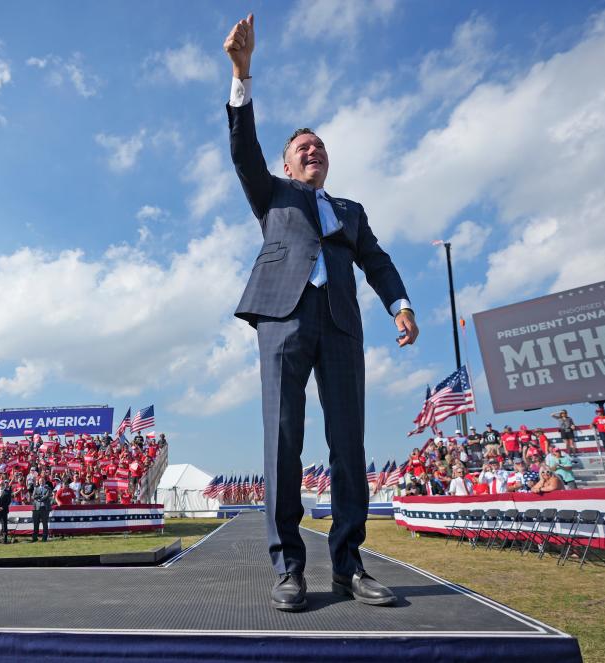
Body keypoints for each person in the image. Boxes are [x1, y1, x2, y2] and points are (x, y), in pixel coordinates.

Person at [224, 13, 417, 612]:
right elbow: (243, 148)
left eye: (319, 147)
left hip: (340, 325)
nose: (313, 151)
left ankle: (349, 566)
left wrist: (400, 305)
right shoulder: (271, 194)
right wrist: (241, 74)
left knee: (348, 445)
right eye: (302, 148)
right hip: (281, 320)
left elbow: (379, 263)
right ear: (287, 165)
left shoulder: (351, 211)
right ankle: (289, 569)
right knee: (283, 440)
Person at [31, 476, 52, 542]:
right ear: (38, 482)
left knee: (45, 523)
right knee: (36, 523)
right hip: (36, 508)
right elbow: (33, 496)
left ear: (44, 481)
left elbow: (47, 496)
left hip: (45, 508)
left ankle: (44, 538)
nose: (41, 482)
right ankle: (35, 538)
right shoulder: (35, 488)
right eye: (40, 481)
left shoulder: (48, 488)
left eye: (42, 481)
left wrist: (39, 498)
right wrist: (40, 497)